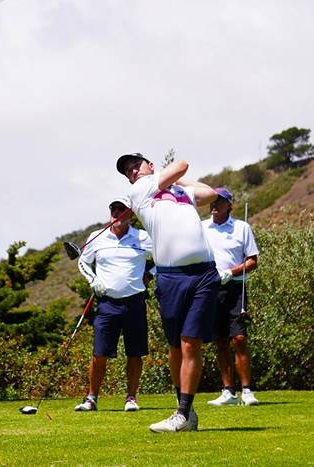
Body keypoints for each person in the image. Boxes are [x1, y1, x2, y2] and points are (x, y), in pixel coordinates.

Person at [116, 152, 219, 432]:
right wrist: (163, 175)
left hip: (204, 274)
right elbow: (183, 163)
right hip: (171, 277)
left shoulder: (181, 191)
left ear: (151, 166)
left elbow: (210, 192)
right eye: (128, 171)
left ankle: (183, 414)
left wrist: (177, 182)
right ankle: (184, 409)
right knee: (176, 348)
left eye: (136, 165)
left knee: (190, 342)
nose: (132, 172)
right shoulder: (140, 190)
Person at [74, 195, 154, 413]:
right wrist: (93, 279)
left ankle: (131, 398)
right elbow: (83, 261)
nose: (117, 214)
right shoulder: (97, 238)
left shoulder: (142, 237)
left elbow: (164, 257)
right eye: (113, 210)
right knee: (99, 354)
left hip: (135, 302)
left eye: (121, 210)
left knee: (135, 353)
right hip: (107, 304)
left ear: (130, 214)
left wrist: (151, 274)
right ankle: (91, 398)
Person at [202, 187, 260, 406]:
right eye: (212, 202)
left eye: (219, 202)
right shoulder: (202, 227)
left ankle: (247, 390)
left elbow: (252, 261)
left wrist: (231, 272)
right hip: (212, 288)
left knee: (239, 339)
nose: (214, 205)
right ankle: (228, 392)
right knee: (220, 341)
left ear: (229, 205)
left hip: (236, 287)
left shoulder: (241, 227)